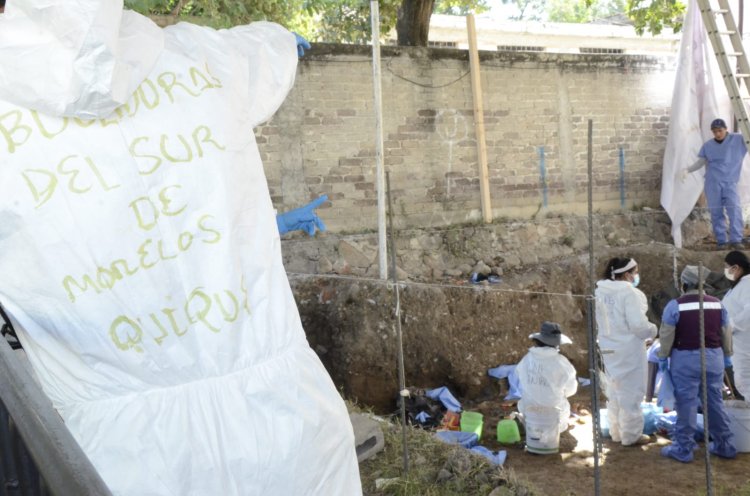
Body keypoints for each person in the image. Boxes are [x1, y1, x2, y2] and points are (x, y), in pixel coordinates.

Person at [0, 2, 361, 495]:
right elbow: (261, 51)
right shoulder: (198, 57)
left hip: (123, 461)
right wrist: (277, 39)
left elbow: (105, 232)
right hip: (286, 427)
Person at [658, 265, 736, 462]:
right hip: (714, 358)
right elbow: (726, 331)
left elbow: (667, 334)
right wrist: (727, 354)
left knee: (686, 403)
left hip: (685, 358)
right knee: (714, 402)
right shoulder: (718, 304)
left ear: (684, 284)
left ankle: (683, 448)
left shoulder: (675, 305)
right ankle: (724, 444)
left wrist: (662, 356)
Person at [595, 257, 657, 446]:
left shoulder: (600, 291)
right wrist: (653, 330)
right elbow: (638, 326)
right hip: (628, 350)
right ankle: (631, 435)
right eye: (635, 272)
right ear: (626, 274)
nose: (636, 276)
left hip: (607, 347)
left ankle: (616, 432)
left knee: (614, 390)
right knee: (631, 392)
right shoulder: (630, 293)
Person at [682, 118, 748, 249]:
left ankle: (736, 239)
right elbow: (701, 162)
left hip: (730, 182)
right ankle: (722, 241)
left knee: (734, 210)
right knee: (716, 212)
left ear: (726, 129)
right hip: (713, 183)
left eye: (720, 130)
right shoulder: (708, 145)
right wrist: (687, 170)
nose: (718, 134)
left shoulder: (738, 139)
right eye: (714, 131)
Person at [516, 321, 577, 454]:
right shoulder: (562, 363)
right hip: (554, 418)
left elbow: (520, 381)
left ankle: (528, 428)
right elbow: (571, 390)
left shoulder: (526, 359)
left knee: (528, 403)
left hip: (530, 415)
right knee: (561, 404)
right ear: (556, 343)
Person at [722, 250, 750, 398]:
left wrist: (731, 325)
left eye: (727, 266)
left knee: (746, 384)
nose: (725, 270)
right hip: (739, 346)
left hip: (745, 346)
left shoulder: (747, 283)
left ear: (736, 268)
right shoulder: (738, 286)